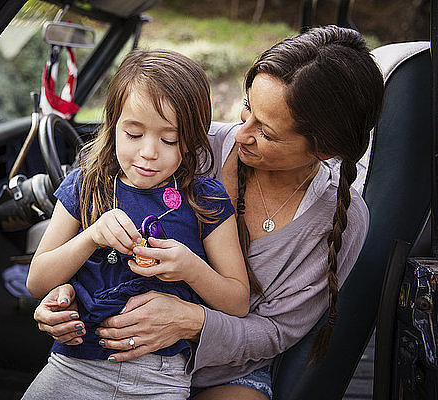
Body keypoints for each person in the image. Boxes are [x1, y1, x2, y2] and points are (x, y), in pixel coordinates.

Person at [32, 25, 385, 400]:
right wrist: (60, 297)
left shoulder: (336, 219)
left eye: (265, 132)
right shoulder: (189, 145)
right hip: (93, 357)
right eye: (246, 107)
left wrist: (190, 321)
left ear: (323, 149)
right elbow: (59, 268)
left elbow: (273, 331)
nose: (240, 133)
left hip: (222, 368)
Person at [22, 49, 250, 400]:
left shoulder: (205, 198)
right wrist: (92, 235)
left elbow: (237, 301)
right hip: (75, 366)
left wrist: (191, 268)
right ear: (113, 126)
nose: (148, 152)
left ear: (190, 141)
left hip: (161, 378)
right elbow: (37, 281)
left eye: (169, 139)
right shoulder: (86, 186)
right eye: (133, 133)